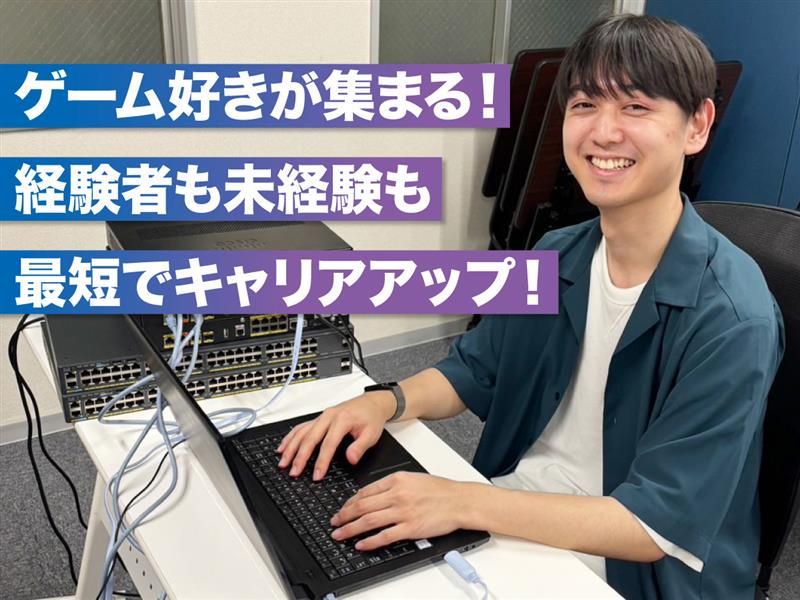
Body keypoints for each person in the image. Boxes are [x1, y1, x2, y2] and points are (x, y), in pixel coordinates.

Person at [277, 14, 785, 599]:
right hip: (522, 512)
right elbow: (474, 370)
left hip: (638, 571)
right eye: (585, 104)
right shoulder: (557, 252)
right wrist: (383, 402)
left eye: (636, 107)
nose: (604, 132)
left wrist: (461, 502)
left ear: (697, 126)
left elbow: (653, 525)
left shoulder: (732, 318)